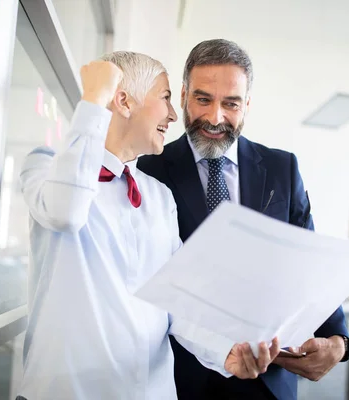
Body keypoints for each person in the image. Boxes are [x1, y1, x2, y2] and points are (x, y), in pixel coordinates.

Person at [17, 52, 279, 400]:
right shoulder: (48, 168)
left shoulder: (159, 196)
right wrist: (94, 98)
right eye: (166, 97)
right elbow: (67, 211)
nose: (173, 115)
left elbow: (177, 299)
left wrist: (225, 351)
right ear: (123, 100)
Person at [138, 38, 349, 400]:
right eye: (203, 99)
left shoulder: (282, 168)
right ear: (185, 96)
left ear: (247, 105)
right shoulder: (148, 168)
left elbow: (306, 259)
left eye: (231, 103)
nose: (215, 117)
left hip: (269, 376)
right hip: (181, 376)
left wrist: (339, 340)